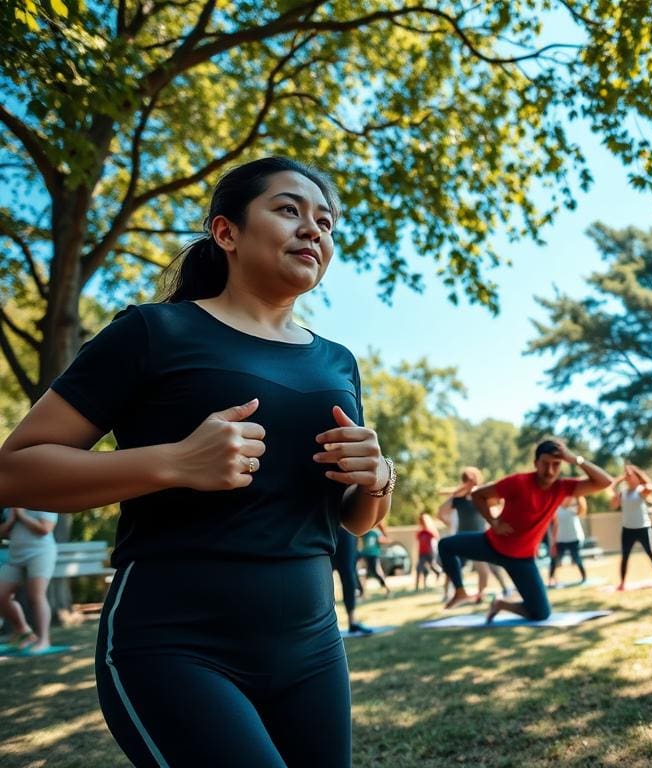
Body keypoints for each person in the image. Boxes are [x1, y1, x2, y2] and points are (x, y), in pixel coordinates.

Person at [0, 157, 395, 767]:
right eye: (288, 210)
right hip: (173, 644)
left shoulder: (338, 362)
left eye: (325, 222)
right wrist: (176, 462)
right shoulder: (153, 332)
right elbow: (14, 470)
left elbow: (354, 519)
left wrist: (379, 479)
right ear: (226, 232)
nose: (313, 230)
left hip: (313, 647)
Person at [439, 440, 612, 622]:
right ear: (536, 463)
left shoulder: (562, 488)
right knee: (445, 545)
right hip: (492, 545)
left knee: (541, 614)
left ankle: (501, 604)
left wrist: (575, 459)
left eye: (556, 464)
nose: (550, 470)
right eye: (545, 464)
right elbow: (478, 494)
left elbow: (606, 481)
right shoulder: (518, 482)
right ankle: (460, 591)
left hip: (522, 559)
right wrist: (494, 522)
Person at [438, 467, 510, 599]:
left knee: (488, 568)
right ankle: (447, 593)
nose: (471, 483)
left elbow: (499, 501)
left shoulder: (481, 497)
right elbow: (441, 512)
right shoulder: (458, 499)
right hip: (462, 538)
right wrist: (458, 493)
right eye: (467, 480)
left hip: (480, 538)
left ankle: (485, 593)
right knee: (452, 566)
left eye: (473, 480)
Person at [0, 506, 59, 653]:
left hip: (40, 553)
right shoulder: (10, 506)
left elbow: (45, 529)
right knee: (1, 595)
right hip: (15, 557)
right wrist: (12, 519)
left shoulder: (45, 503)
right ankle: (23, 631)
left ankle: (44, 640)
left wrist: (22, 515)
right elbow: (3, 533)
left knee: (36, 596)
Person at [611, 465, 652, 590]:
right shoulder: (623, 493)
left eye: (630, 475)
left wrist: (638, 473)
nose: (628, 477)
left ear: (636, 477)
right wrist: (621, 478)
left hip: (643, 527)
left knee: (651, 553)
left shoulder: (640, 490)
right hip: (627, 529)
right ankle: (622, 583)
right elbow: (613, 503)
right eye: (626, 476)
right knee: (625, 556)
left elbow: (650, 486)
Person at [333, 526, 372, 635]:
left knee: (349, 575)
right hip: (322, 528)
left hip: (345, 528)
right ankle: (325, 624)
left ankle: (352, 621)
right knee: (323, 578)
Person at [548, 496, 588, 586]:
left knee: (577, 558)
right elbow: (555, 526)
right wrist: (553, 541)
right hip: (560, 540)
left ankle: (584, 577)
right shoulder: (556, 510)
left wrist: (579, 495)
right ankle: (551, 579)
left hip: (574, 539)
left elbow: (582, 509)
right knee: (554, 560)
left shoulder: (575, 508)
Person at [358, 523, 392, 596]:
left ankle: (387, 589)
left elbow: (382, 540)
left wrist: (386, 538)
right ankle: (362, 593)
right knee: (364, 574)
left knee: (377, 572)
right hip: (366, 555)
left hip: (373, 555)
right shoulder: (366, 532)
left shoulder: (375, 532)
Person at [414, 512, 443, 590]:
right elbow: (418, 539)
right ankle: (417, 586)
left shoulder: (429, 531)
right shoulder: (420, 532)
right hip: (421, 553)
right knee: (419, 568)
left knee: (432, 566)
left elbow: (436, 537)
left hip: (429, 552)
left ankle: (438, 572)